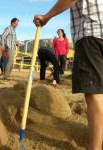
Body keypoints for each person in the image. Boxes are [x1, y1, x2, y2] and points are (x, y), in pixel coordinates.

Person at [34, 0, 103, 149]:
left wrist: (47, 16)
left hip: (92, 33)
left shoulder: (64, 40)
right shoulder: (53, 42)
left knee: (94, 92)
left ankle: (95, 147)